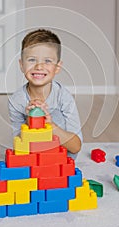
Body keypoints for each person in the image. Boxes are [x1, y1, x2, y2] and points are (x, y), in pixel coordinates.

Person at [8, 28, 83, 159]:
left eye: (47, 61)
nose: (39, 66)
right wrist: (30, 120)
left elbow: (76, 147)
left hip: (61, 159)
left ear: (57, 67)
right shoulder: (16, 101)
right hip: (33, 160)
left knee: (57, 115)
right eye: (32, 60)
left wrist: (49, 124)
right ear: (21, 65)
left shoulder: (64, 97)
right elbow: (19, 147)